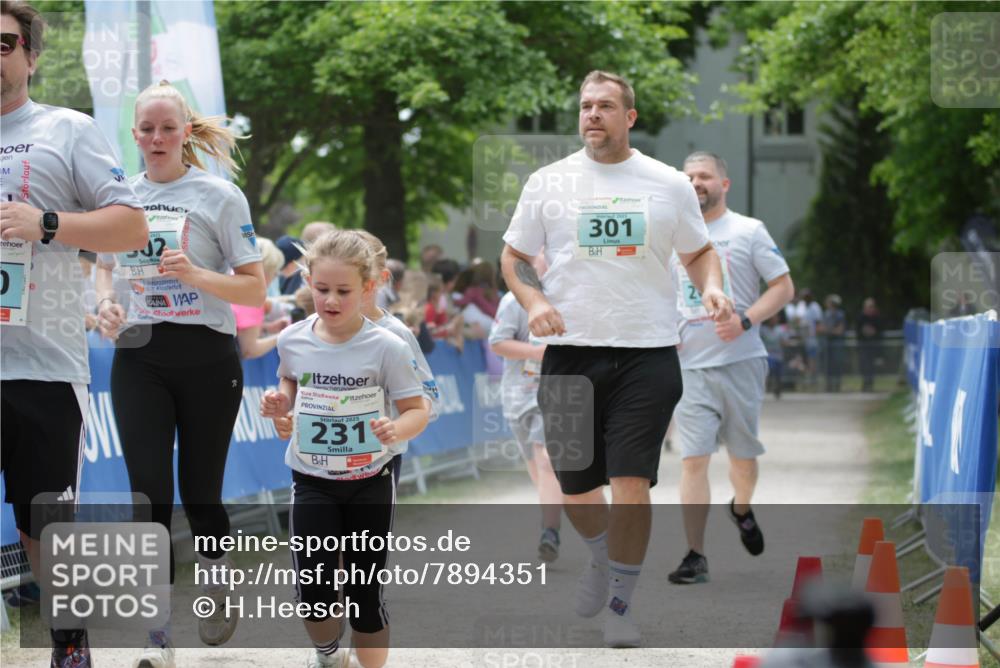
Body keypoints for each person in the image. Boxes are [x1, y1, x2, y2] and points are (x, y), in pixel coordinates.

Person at [500, 70, 732, 648]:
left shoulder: (666, 183)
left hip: (646, 353)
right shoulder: (548, 182)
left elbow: (700, 251)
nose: (593, 115)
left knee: (631, 480)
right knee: (577, 484)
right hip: (571, 352)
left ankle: (622, 603)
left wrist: (711, 286)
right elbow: (515, 256)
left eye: (606, 106)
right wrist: (533, 300)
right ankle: (602, 559)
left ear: (629, 117)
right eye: (585, 106)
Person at [94, 80, 265, 666]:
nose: (157, 138)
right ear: (135, 134)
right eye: (147, 128)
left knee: (201, 496)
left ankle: (218, 579)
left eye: (169, 127)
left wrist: (195, 275)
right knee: (148, 497)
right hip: (139, 353)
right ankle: (158, 639)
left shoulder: (221, 196)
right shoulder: (121, 198)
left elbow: (254, 287)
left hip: (207, 357)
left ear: (186, 132)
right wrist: (105, 306)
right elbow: (104, 268)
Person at [0, 2, 148, 665]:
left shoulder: (66, 130)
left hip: (43, 366)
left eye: (4, 44)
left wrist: (47, 224)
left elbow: (130, 227)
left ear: (30, 56)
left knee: (45, 527)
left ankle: (69, 647)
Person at [260, 230, 429, 668]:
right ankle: (329, 655)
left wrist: (396, 427)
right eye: (321, 290)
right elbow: (290, 380)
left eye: (343, 291)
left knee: (364, 596)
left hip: (370, 481)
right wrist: (281, 404)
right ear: (307, 283)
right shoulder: (292, 339)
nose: (330, 300)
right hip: (312, 479)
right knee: (314, 593)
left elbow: (418, 408)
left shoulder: (388, 345)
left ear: (369, 288)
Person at [667, 151, 794, 586]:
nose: (695, 182)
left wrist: (745, 320)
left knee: (742, 457)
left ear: (725, 183)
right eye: (688, 177)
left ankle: (741, 507)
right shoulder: (668, 235)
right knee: (693, 459)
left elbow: (783, 286)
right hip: (688, 367)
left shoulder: (748, 230)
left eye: (704, 176)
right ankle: (694, 554)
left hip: (740, 361)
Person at [489, 253, 562, 562]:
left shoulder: (570, 296)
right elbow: (497, 342)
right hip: (520, 395)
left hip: (559, 394)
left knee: (545, 459)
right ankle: (552, 513)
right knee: (538, 467)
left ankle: (551, 532)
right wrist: (535, 352)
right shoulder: (513, 302)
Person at [233, 237, 289, 359]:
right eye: (275, 271)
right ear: (266, 270)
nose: (275, 277)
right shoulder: (253, 297)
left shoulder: (229, 283)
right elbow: (248, 350)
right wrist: (285, 335)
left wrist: (266, 327)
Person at [820, 294, 846, 392]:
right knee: (828, 365)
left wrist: (828, 330)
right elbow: (821, 328)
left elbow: (839, 330)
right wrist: (830, 330)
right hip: (827, 343)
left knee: (837, 364)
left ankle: (837, 385)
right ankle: (829, 385)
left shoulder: (840, 314)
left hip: (836, 343)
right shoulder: (826, 314)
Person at [856, 297, 882, 392]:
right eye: (869, 306)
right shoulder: (861, 317)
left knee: (871, 366)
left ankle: (870, 384)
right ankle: (865, 383)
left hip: (873, 346)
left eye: (872, 306)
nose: (871, 308)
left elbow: (880, 330)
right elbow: (858, 330)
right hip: (863, 345)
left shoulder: (876, 317)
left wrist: (873, 332)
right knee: (863, 365)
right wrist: (865, 331)